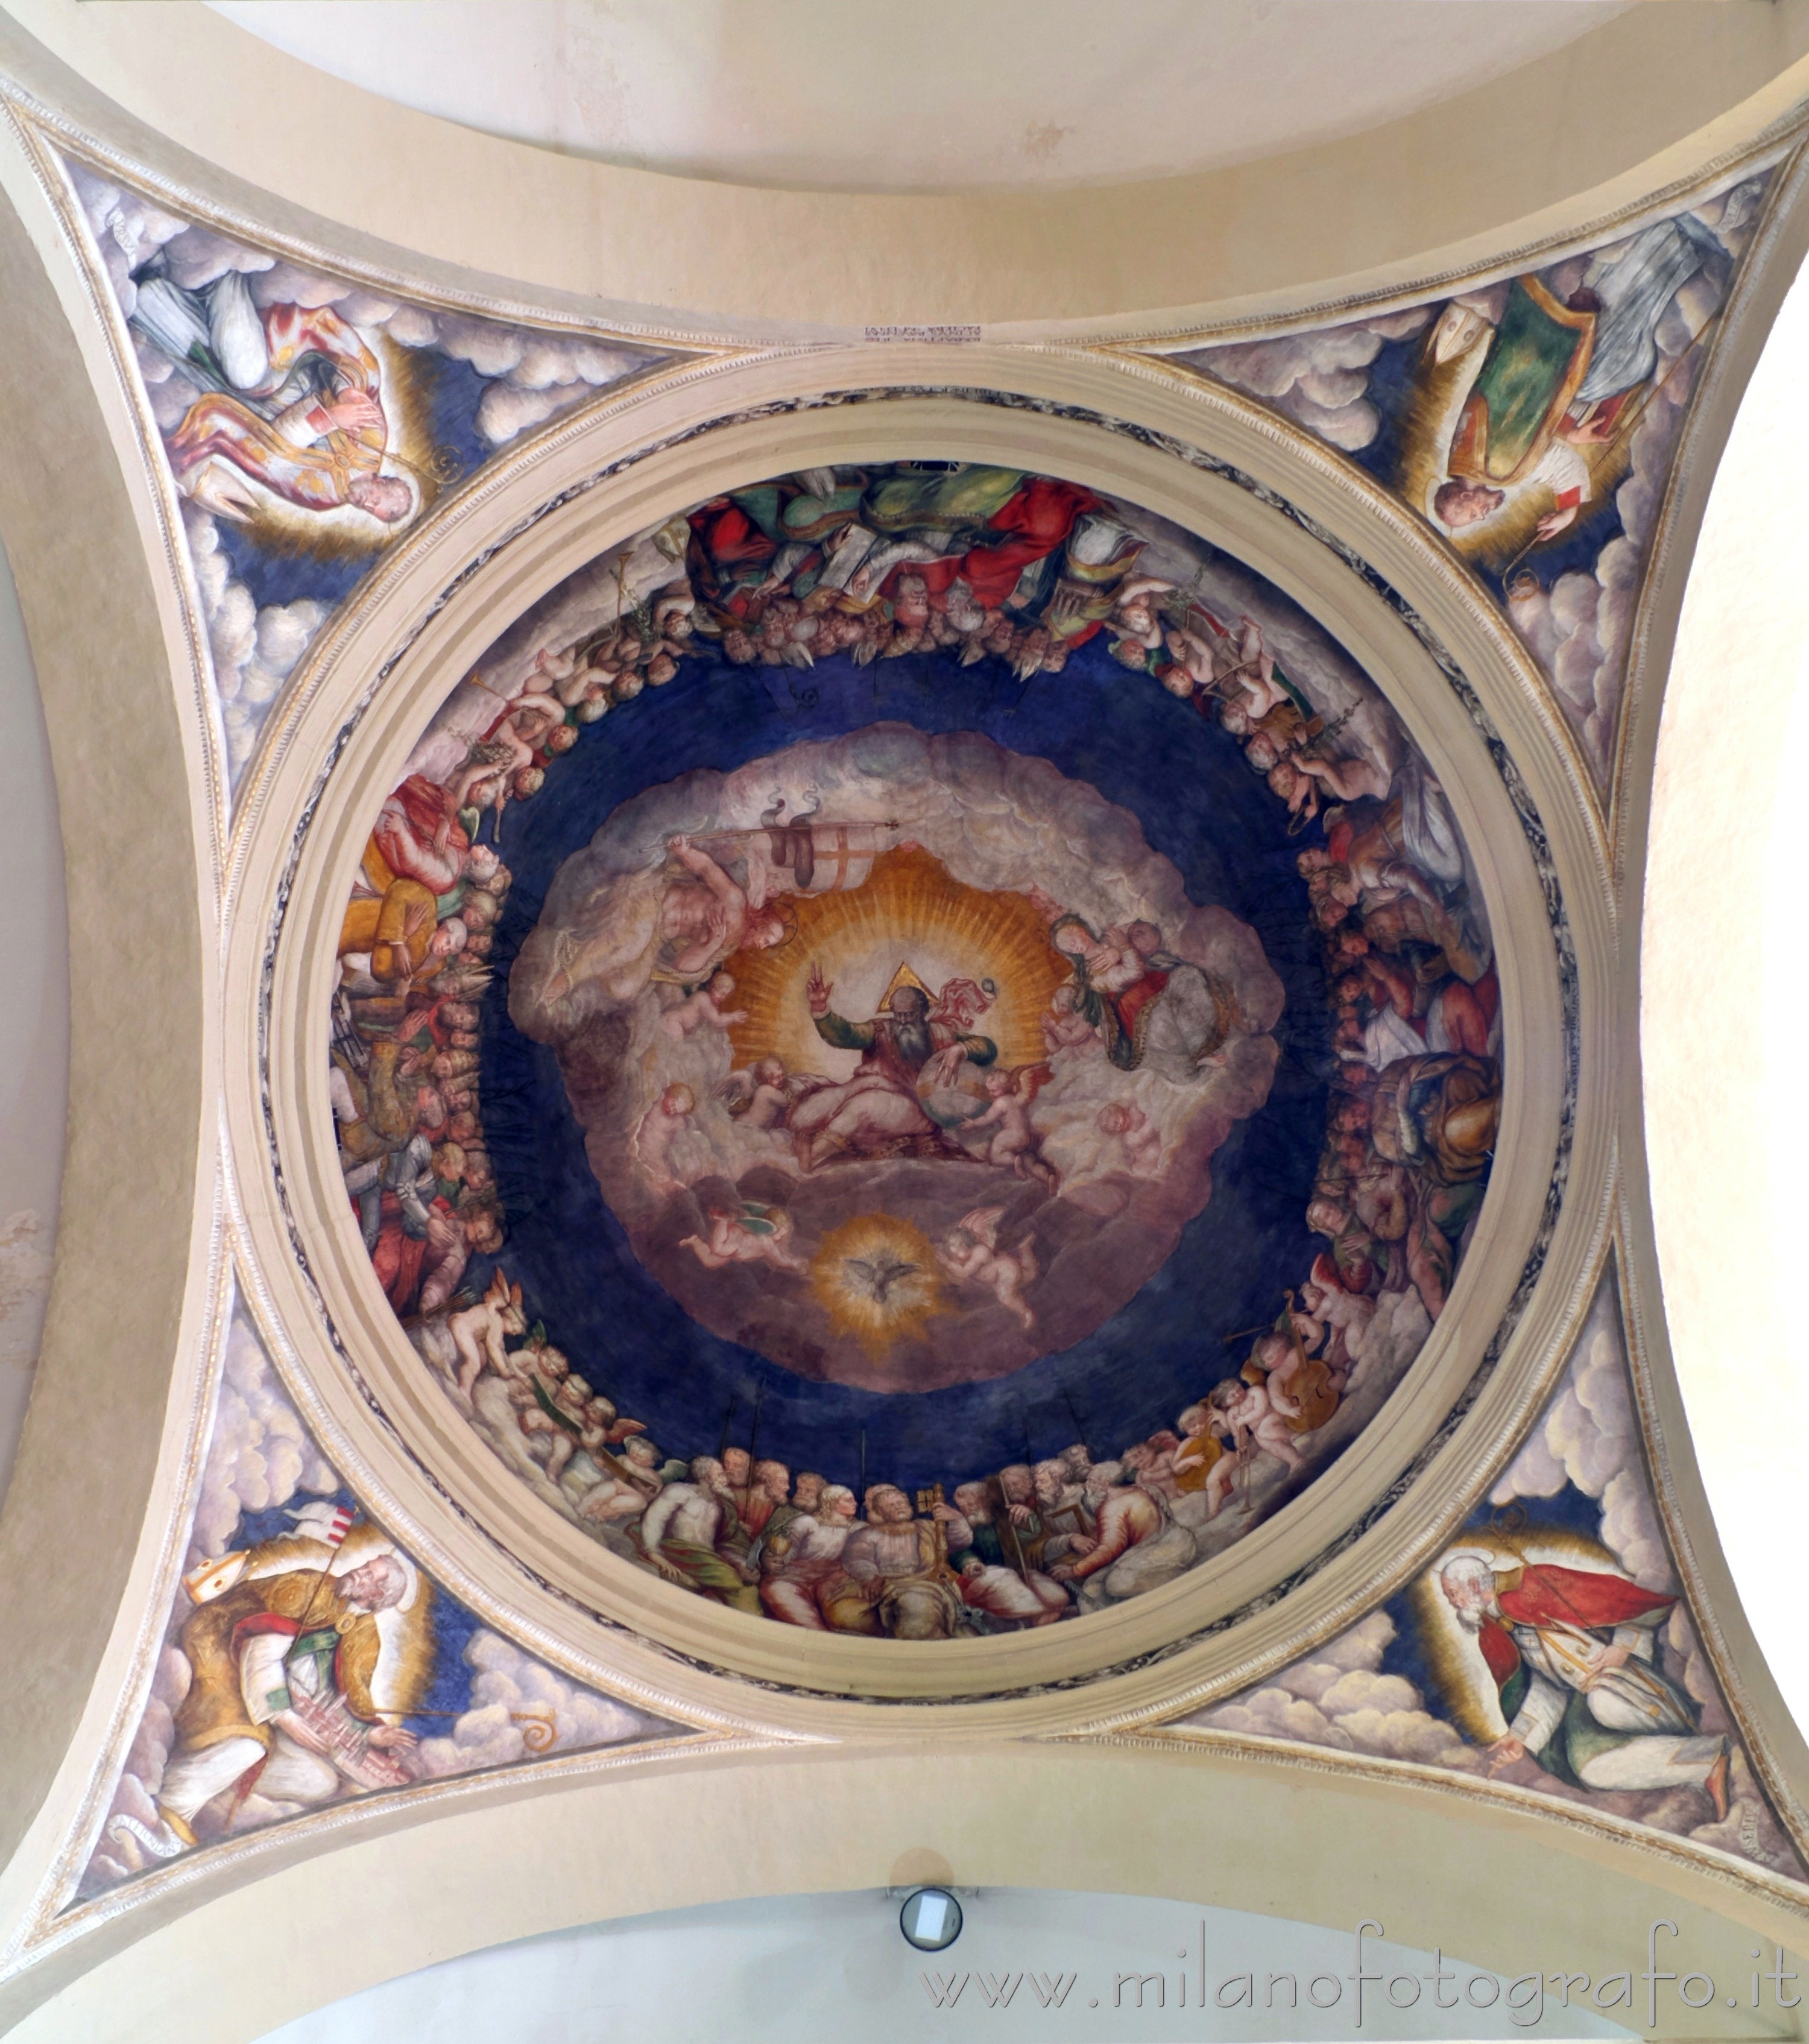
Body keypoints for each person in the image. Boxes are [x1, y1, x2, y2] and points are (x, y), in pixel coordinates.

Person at [147, 1548, 420, 1852]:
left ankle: (217, 1785)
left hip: (287, 1704)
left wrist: (369, 1733)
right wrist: (283, 1715)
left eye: (370, 1575)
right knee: (247, 1744)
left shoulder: (367, 1639)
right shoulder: (310, 1588)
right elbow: (259, 1649)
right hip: (230, 1658)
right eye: (365, 1566)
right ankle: (171, 1807)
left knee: (319, 1781)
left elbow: (337, 1700)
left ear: (378, 1595)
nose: (359, 1572)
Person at [1437, 1553, 1730, 1814]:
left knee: (1604, 1701)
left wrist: (1623, 1647)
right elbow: (1550, 1687)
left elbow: (1624, 1605)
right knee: (1593, 1770)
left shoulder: (1537, 1584)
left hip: (1638, 1691)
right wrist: (1521, 1736)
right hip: (1588, 1712)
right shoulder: (1500, 1631)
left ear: (1474, 1587)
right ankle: (1707, 1760)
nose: (1453, 1602)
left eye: (1453, 1593)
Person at [788, 966, 997, 1169]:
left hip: (915, 1106)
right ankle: (802, 1138)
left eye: (910, 1015)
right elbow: (845, 1034)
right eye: (898, 1015)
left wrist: (960, 1050)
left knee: (864, 1108)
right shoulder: (881, 1030)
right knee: (820, 1105)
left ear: (924, 1012)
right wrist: (820, 1008)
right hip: (873, 1085)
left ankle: (813, 1157)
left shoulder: (941, 1034)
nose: (904, 1021)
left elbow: (988, 1048)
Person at [824, 1486, 962, 1640]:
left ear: (909, 1506)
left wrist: (956, 1520)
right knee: (845, 1613)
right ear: (881, 1512)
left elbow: (958, 1544)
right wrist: (870, 1577)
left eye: (901, 1503)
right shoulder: (868, 1534)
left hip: (922, 1583)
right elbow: (857, 1558)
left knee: (917, 1604)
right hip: (883, 1585)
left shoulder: (928, 1528)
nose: (899, 1507)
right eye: (892, 1505)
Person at [636, 1457, 761, 1614]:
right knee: (743, 1589)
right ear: (705, 1477)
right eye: (720, 1474)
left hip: (707, 1560)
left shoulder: (720, 1506)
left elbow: (726, 1543)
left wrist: (741, 1564)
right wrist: (653, 1552)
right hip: (678, 1550)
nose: (725, 1479)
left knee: (747, 1588)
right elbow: (655, 1518)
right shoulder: (680, 1491)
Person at [936, 1207, 1037, 1334]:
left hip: (1005, 1272)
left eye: (957, 1253)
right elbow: (959, 1276)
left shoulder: (979, 1254)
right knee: (1029, 1276)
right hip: (1003, 1271)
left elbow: (964, 1273)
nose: (956, 1258)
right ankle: (1024, 1249)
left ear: (964, 1246)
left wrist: (947, 1264)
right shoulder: (968, 1254)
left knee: (1005, 1296)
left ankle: (1026, 1313)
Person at [963, 1068, 1058, 1186]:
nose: (991, 1094)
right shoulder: (1018, 1099)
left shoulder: (1001, 1103)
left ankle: (1014, 1161)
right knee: (1030, 1163)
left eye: (994, 1091)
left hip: (1010, 1135)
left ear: (1004, 1088)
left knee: (996, 1156)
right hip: (1027, 1137)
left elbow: (988, 1118)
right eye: (990, 1091)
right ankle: (1048, 1178)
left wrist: (973, 1123)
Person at [661, 970, 748, 1040]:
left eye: (726, 995)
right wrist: (732, 1017)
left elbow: (715, 1025)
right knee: (675, 1048)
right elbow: (717, 1020)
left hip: (679, 1024)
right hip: (675, 1021)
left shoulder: (708, 1001)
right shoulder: (704, 998)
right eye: (722, 993)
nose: (723, 998)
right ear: (714, 989)